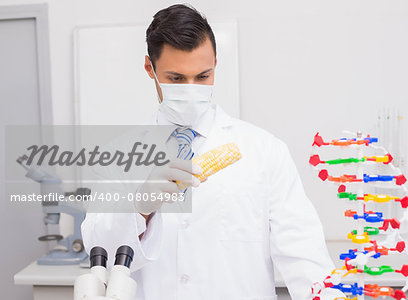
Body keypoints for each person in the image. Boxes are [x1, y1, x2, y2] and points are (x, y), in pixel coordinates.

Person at [81, 3, 341, 299]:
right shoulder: (118, 155)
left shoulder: (265, 151)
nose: (191, 89)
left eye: (202, 76)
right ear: (149, 68)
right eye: (176, 79)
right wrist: (140, 207)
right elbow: (99, 253)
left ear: (216, 62)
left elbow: (305, 258)